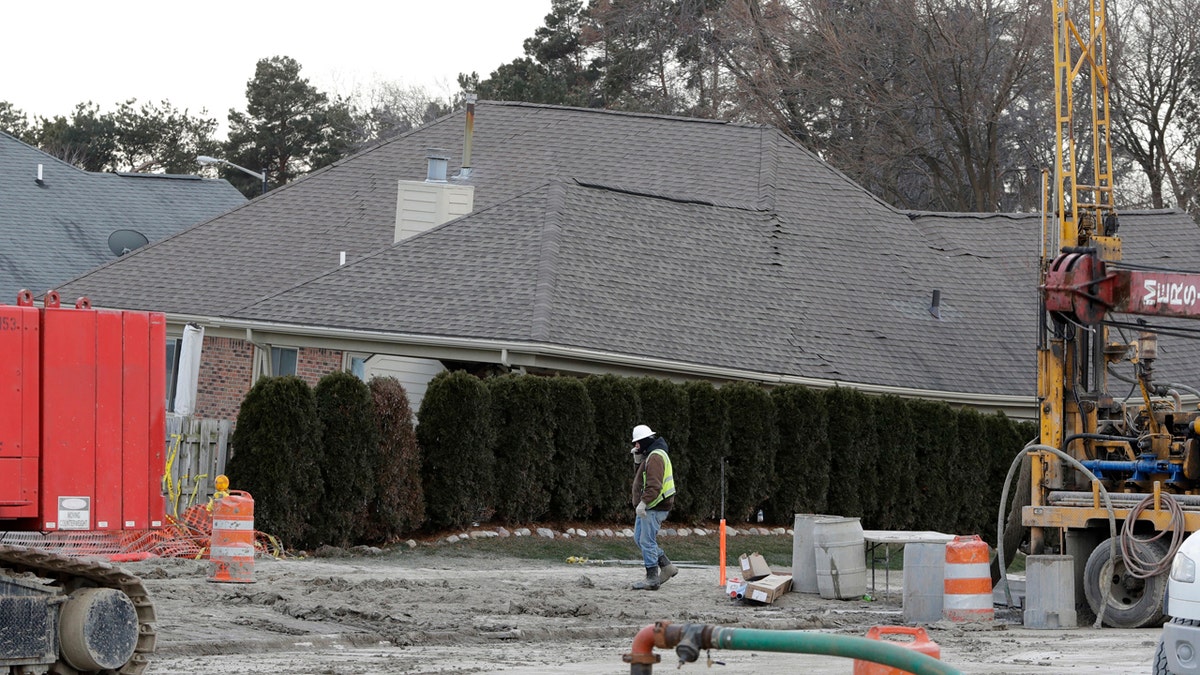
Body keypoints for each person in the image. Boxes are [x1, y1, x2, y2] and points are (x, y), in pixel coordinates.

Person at [629, 424, 678, 590]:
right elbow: (642, 476)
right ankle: (666, 566)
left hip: (655, 505)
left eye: (637, 443)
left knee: (646, 541)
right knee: (639, 539)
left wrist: (644, 503)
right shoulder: (650, 455)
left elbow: (653, 485)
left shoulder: (656, 457)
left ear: (644, 441)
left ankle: (652, 578)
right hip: (651, 505)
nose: (635, 446)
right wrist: (638, 461)